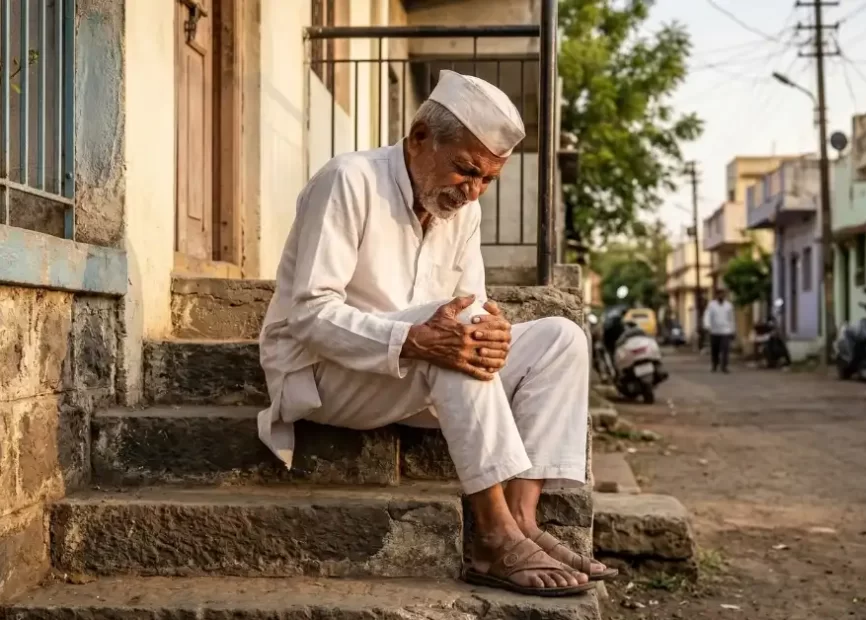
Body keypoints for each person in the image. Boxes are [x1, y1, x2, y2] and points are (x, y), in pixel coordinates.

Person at [257, 70, 609, 597]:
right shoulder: (349, 180)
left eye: (488, 179)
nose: (472, 191)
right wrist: (418, 339)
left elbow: (471, 305)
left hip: (417, 373)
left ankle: (521, 519)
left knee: (560, 337)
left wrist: (492, 332)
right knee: (456, 339)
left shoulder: (463, 212)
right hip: (325, 374)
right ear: (421, 137)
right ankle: (491, 539)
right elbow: (308, 314)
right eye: (466, 170)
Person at [703, 288, 735, 373]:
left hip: (725, 330)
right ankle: (714, 364)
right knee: (715, 350)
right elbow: (707, 315)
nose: (721, 296)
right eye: (719, 294)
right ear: (716, 295)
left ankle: (724, 366)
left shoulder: (728, 305)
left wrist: (732, 330)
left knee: (725, 349)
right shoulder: (711, 305)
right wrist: (707, 325)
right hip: (714, 331)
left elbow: (731, 318)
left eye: (723, 294)